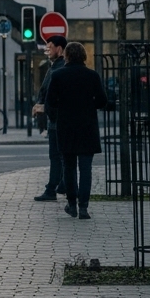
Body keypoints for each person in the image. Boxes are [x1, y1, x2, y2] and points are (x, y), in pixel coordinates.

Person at [44, 42, 108, 219]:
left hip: (66, 127)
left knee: (69, 168)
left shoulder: (58, 76)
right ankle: (84, 207)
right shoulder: (92, 76)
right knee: (86, 169)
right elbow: (103, 100)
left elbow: (50, 104)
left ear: (67, 56)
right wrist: (89, 106)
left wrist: (58, 115)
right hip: (87, 127)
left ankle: (72, 204)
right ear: (84, 56)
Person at [31, 35, 69, 202]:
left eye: (50, 47)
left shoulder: (59, 68)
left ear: (59, 49)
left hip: (56, 119)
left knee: (56, 155)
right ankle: (62, 184)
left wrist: (43, 106)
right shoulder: (55, 66)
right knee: (59, 155)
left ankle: (52, 188)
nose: (47, 51)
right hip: (54, 118)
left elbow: (54, 94)